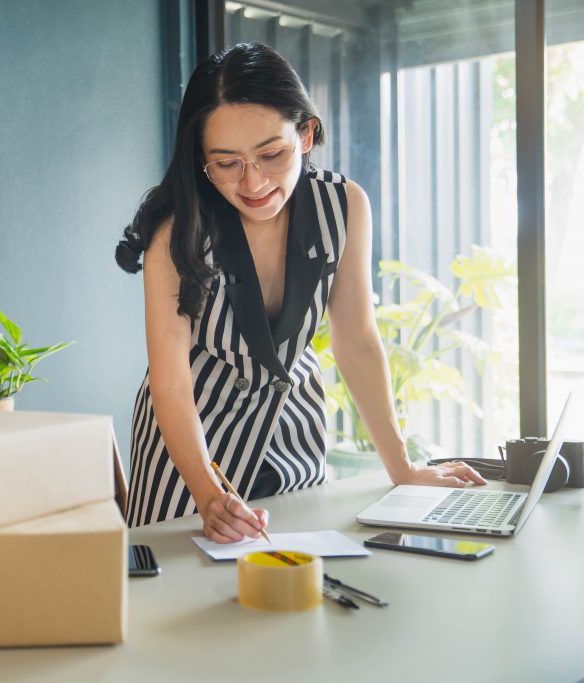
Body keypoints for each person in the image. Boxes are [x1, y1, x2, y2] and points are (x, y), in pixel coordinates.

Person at [115, 42, 485, 543]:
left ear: (307, 134)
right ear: (201, 158)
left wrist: (403, 468)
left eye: (271, 154)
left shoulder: (344, 205)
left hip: (294, 435)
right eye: (227, 163)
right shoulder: (178, 231)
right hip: (191, 454)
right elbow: (172, 383)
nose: (253, 181)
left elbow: (356, 339)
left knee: (303, 590)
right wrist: (207, 493)